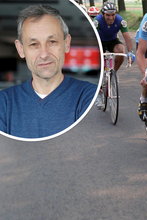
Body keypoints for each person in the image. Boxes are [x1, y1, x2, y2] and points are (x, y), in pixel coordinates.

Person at [0, 5, 97, 139]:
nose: (44, 54)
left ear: (66, 43)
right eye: (34, 44)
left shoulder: (89, 96)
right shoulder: (4, 102)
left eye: (52, 42)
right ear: (21, 49)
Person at [93, 2, 135, 109]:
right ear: (103, 14)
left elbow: (127, 37)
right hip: (99, 41)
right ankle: (98, 93)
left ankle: (113, 74)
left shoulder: (120, 21)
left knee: (121, 50)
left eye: (113, 15)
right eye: (108, 15)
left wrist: (130, 52)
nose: (111, 18)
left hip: (112, 41)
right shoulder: (97, 21)